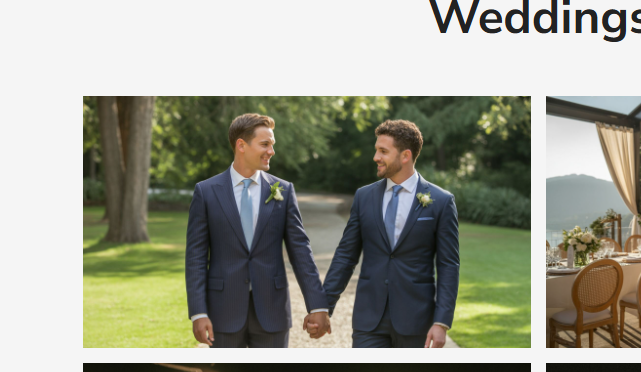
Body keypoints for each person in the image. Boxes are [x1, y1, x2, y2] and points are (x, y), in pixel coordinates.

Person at [184, 112, 331, 348]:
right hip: (223, 311)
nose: (271, 151)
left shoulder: (283, 190)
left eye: (272, 145)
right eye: (265, 144)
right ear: (241, 145)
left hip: (273, 311)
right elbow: (196, 258)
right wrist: (198, 313)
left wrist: (318, 306)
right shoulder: (206, 192)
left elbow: (301, 252)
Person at [320, 119, 460, 348]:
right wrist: (323, 306)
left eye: (383, 151)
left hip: (416, 320)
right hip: (369, 319)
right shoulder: (364, 197)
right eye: (376, 150)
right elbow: (346, 255)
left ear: (405, 156)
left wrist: (441, 321)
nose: (376, 157)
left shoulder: (441, 201)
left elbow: (448, 265)